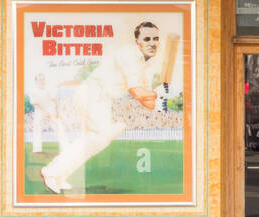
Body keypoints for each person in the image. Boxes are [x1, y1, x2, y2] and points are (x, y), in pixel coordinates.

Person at [40, 21, 171, 194]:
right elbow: (138, 92)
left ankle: (57, 176)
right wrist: (156, 94)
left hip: (101, 99)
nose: (152, 43)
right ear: (137, 42)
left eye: (155, 39)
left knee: (94, 141)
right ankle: (51, 172)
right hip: (92, 93)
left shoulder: (147, 66)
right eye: (147, 39)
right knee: (99, 138)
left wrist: (159, 101)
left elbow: (146, 101)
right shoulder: (129, 54)